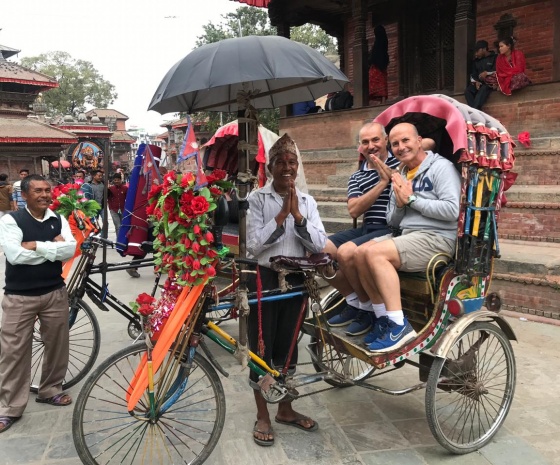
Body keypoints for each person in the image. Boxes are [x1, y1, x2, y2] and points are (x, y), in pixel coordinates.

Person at [246, 133, 327, 447]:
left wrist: (297, 216)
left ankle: (286, 410)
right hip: (265, 280)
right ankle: (263, 414)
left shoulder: (307, 202)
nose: (288, 167)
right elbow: (253, 246)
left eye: (292, 162)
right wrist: (280, 216)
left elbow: (319, 244)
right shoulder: (257, 199)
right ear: (270, 167)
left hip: (296, 282)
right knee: (261, 347)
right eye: (281, 161)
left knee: (289, 346)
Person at [354, 123, 461, 352]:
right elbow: (392, 219)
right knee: (359, 253)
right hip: (408, 235)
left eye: (406, 141)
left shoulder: (441, 168)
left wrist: (413, 201)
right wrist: (401, 203)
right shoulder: (400, 173)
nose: (401, 147)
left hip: (437, 238)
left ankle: (398, 324)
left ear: (419, 140)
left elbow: (453, 210)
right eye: (395, 144)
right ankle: (383, 318)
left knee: (374, 254)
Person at [0, 174, 77, 433]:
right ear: (24, 195)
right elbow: (15, 255)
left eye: (48, 190)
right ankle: (10, 407)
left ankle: (50, 390)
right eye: (38, 191)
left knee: (57, 345)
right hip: (19, 296)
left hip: (54, 292)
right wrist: (51, 249)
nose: (45, 195)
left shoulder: (58, 219)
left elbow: (70, 250)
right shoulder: (11, 220)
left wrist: (35, 246)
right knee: (13, 352)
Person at [324, 122, 400, 336]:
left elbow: (425, 145)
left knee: (346, 251)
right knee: (319, 249)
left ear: (386, 140)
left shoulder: (400, 163)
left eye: (376, 140)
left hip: (390, 228)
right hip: (367, 227)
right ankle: (355, 301)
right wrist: (382, 183)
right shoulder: (357, 176)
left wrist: (389, 175)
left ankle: (368, 310)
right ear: (360, 146)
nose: (371, 146)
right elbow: (354, 210)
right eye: (365, 142)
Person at [464, 40, 497, 110]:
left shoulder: (494, 57)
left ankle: (475, 111)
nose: (476, 54)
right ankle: (475, 111)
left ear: (484, 49)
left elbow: (498, 70)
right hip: (479, 83)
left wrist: (487, 73)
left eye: (477, 51)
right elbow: (473, 74)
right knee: (468, 91)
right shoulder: (476, 61)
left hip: (490, 83)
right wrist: (476, 82)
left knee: (483, 89)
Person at [368, 25, 389, 104]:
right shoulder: (385, 43)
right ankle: (383, 102)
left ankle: (372, 103)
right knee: (382, 84)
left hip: (375, 68)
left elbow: (372, 57)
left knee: (373, 86)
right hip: (382, 67)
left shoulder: (376, 44)